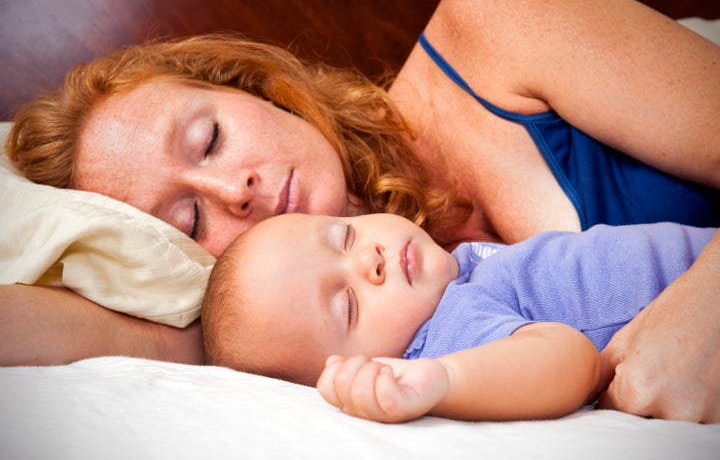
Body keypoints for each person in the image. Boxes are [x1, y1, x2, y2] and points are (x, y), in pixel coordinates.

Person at [1, 0, 719, 421]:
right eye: (190, 219)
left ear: (252, 87)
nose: (234, 192)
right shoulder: (306, 327)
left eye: (210, 137)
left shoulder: (496, 24)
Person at [201, 213, 715, 423]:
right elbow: (569, 359)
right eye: (349, 304)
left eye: (346, 235)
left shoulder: (450, 280)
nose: (369, 260)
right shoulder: (444, 334)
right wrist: (446, 380)